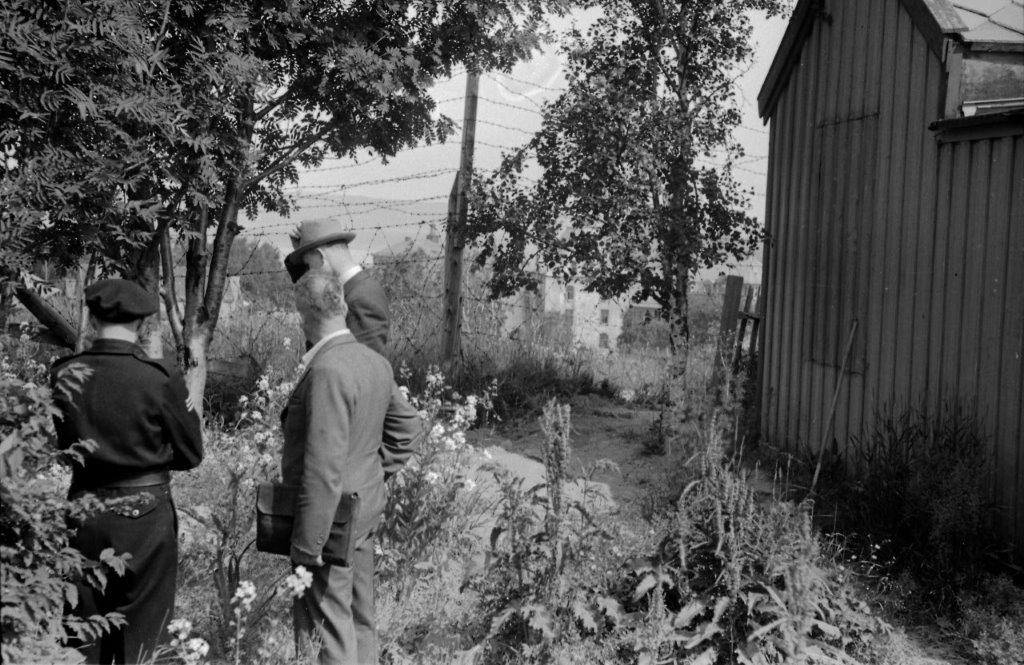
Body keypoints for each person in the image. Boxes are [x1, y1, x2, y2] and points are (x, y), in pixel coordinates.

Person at [50, 278, 203, 664]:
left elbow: (66, 444)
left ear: (92, 318)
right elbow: (191, 453)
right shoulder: (159, 377)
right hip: (145, 515)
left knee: (82, 635)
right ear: (141, 323)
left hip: (83, 510)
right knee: (145, 636)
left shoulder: (64, 373)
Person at [283, 270, 421, 664]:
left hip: (329, 523)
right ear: (341, 306)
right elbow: (408, 428)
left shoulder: (327, 370)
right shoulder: (373, 361)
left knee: (329, 630)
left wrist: (308, 546)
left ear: (303, 315)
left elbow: (324, 468)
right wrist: (373, 474)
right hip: (362, 512)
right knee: (361, 619)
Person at [285, 220, 389, 356]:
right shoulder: (352, 289)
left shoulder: (364, 297)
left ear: (321, 256)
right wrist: (301, 250)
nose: (309, 271)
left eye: (308, 264)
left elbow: (363, 366)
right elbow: (312, 289)